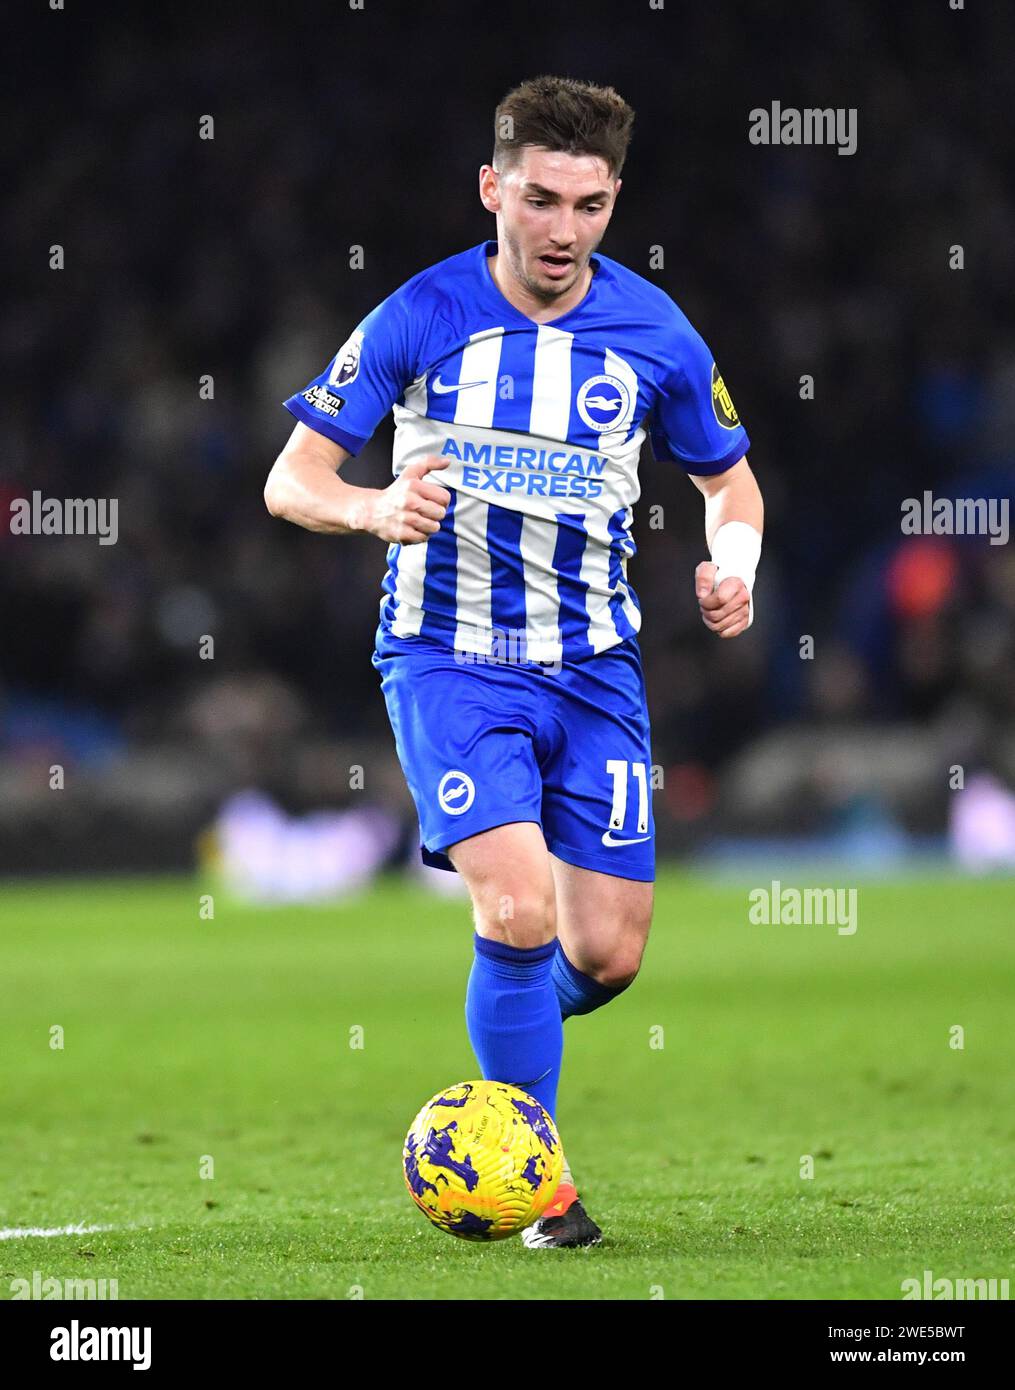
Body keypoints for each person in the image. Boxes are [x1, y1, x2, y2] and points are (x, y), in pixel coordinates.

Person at [264, 74, 764, 1247]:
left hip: (595, 670)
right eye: (540, 200)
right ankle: (534, 1184)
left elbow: (725, 476)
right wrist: (373, 509)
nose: (563, 230)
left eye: (589, 206)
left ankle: (511, 1026)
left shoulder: (656, 331)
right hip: (449, 661)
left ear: (613, 201)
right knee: (519, 905)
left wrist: (731, 559)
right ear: (494, 188)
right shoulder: (418, 317)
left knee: (607, 950)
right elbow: (292, 479)